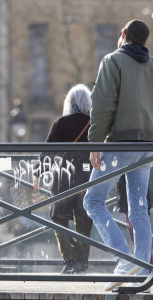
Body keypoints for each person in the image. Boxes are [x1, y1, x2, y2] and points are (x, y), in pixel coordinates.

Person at [83, 20, 153, 291]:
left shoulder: (112, 61)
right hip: (147, 147)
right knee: (138, 206)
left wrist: (94, 144)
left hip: (120, 144)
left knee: (93, 200)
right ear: (144, 42)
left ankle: (123, 261)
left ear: (124, 36)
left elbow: (101, 106)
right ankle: (144, 269)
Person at [33, 84, 93, 274]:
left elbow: (48, 153)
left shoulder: (61, 123)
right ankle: (82, 262)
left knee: (58, 217)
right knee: (84, 222)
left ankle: (71, 259)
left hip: (64, 180)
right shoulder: (95, 124)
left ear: (70, 102)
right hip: (89, 179)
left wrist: (37, 174)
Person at [116, 170, 153, 264]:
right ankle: (146, 261)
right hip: (137, 185)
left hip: (136, 185)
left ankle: (146, 261)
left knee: (136, 222)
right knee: (137, 222)